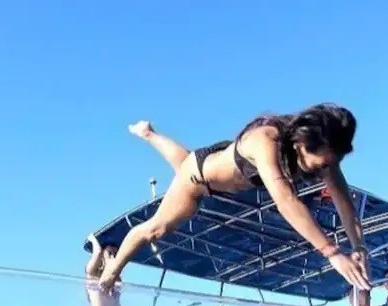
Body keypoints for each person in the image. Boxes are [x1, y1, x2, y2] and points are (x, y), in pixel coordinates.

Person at [98, 103, 371, 292]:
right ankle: (111, 271)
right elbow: (286, 200)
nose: (325, 171)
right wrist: (332, 252)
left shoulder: (326, 156)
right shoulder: (266, 140)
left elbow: (344, 202)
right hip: (198, 180)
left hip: (212, 164)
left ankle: (148, 133)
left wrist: (359, 247)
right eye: (321, 165)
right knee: (157, 229)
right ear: (301, 144)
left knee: (184, 161)